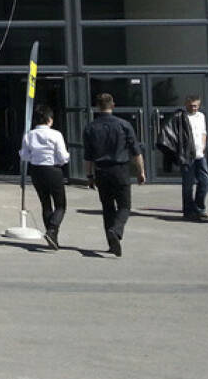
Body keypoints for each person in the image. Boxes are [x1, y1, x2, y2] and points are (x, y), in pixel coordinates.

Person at [82, 93, 145, 257]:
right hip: (120, 169)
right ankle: (116, 230)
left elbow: (88, 156)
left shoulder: (90, 127)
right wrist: (140, 171)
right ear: (113, 105)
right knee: (124, 206)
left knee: (107, 207)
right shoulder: (124, 125)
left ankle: (112, 244)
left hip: (101, 170)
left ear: (97, 106)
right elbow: (136, 151)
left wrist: (89, 176)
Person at [19, 103, 69, 249]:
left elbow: (24, 155)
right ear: (50, 120)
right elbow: (63, 156)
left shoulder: (29, 135)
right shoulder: (55, 134)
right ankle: (52, 229)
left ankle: (52, 236)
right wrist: (63, 160)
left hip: (36, 170)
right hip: (53, 169)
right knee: (60, 205)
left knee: (45, 203)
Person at [161, 95, 208, 220]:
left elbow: (203, 132)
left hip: (200, 154)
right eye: (191, 105)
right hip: (186, 155)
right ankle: (188, 211)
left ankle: (199, 207)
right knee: (188, 184)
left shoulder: (201, 116)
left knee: (206, 181)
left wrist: (203, 146)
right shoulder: (179, 117)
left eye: (195, 106)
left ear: (199, 105)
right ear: (186, 104)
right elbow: (169, 133)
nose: (193, 108)